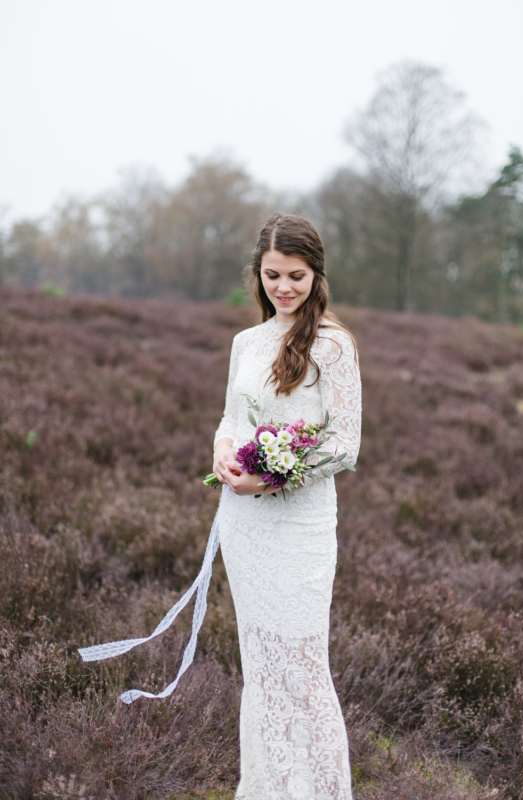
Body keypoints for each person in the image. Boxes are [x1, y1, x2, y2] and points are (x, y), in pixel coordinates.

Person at [212, 213, 362, 800]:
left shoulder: (334, 344)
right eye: (272, 275)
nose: (283, 288)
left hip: (299, 525)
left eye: (295, 276)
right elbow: (231, 415)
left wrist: (272, 478)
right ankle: (268, 787)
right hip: (244, 526)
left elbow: (343, 444)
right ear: (258, 274)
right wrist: (225, 453)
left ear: (315, 274)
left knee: (301, 663)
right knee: (262, 662)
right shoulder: (246, 342)